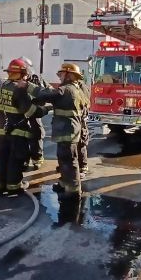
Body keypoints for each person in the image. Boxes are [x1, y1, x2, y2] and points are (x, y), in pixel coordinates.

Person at [21, 63, 88, 199]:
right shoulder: (76, 89)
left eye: (61, 74)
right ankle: (64, 183)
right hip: (70, 131)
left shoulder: (65, 89)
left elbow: (46, 94)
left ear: (69, 75)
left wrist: (27, 86)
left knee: (69, 161)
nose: (60, 77)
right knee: (64, 159)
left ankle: (74, 191)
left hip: (67, 132)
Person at [0, 59, 49, 196]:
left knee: (2, 158)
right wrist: (45, 109)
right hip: (17, 132)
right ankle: (14, 186)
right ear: (22, 74)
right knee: (15, 159)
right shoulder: (19, 89)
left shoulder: (0, 87)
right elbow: (30, 111)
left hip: (1, 132)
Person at [17, 57, 48, 171]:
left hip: (34, 112)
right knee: (22, 136)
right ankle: (24, 160)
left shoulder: (36, 79)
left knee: (37, 134)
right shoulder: (15, 80)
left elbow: (44, 94)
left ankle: (37, 158)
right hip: (20, 113)